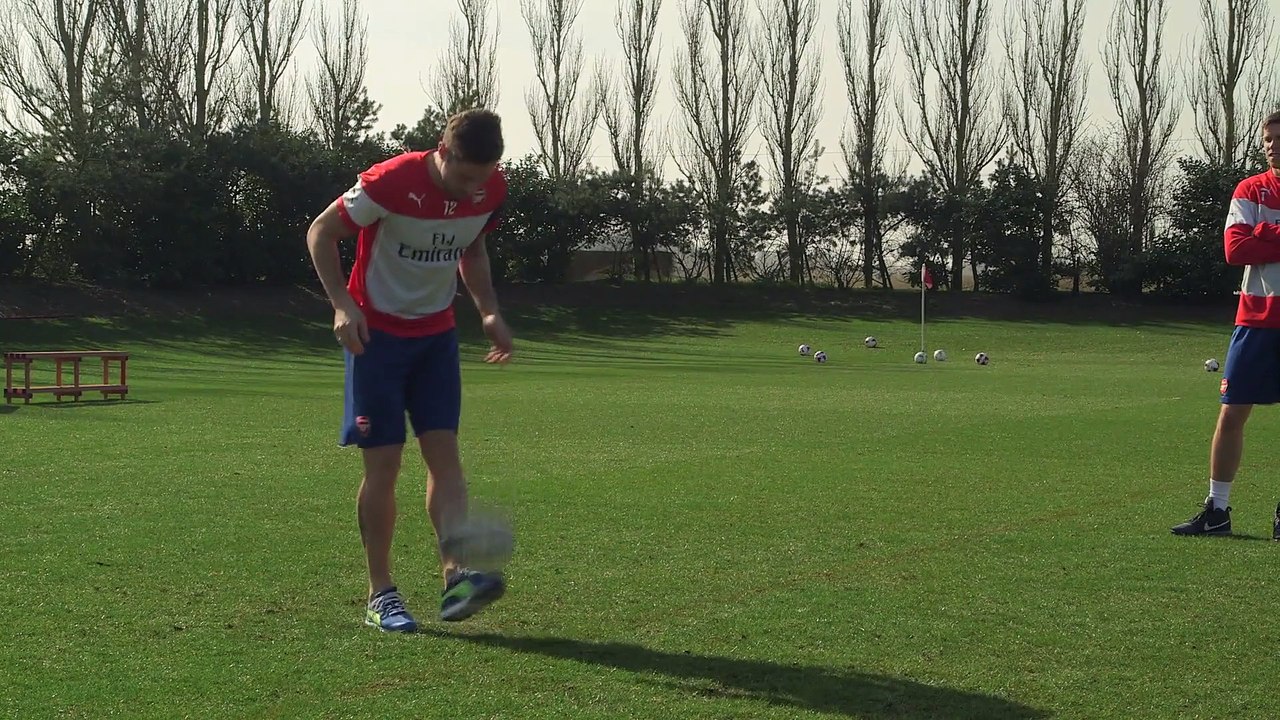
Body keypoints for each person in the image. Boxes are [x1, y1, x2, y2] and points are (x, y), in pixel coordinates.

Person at [305, 108, 514, 630]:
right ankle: (381, 594)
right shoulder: (390, 182)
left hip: (436, 339)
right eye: (465, 177)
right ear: (442, 153)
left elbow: (473, 248)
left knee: (447, 461)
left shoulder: (489, 190)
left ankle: (456, 576)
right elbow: (320, 232)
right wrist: (341, 305)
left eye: (482, 179)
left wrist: (487, 309)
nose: (473, 190)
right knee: (386, 466)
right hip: (375, 339)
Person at [1172, 109, 1280, 540]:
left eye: (1279, 136)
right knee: (1231, 414)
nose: (1272, 144)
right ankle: (1217, 510)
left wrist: (1264, 236)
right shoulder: (1250, 190)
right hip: (1255, 319)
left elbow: (1251, 243)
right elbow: (1235, 250)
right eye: (1268, 138)